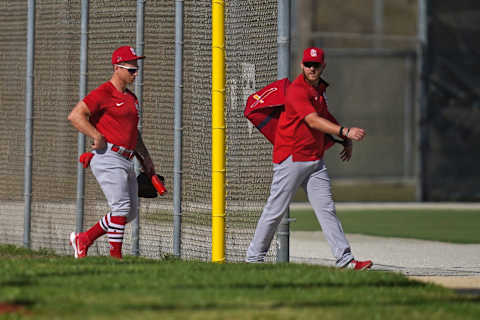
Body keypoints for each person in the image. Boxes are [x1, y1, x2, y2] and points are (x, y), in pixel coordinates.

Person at [246, 47, 373, 270]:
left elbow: (325, 117)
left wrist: (344, 140)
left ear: (323, 66)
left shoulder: (319, 91)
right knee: (275, 210)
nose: (311, 68)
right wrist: (345, 131)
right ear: (302, 66)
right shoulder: (296, 91)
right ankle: (253, 259)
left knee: (326, 210)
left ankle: (345, 259)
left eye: (315, 65)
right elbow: (313, 121)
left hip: (314, 160)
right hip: (292, 158)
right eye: (307, 64)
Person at [68, 46, 156, 259]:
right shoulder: (104, 92)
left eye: (136, 69)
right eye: (131, 69)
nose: (135, 73)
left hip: (127, 158)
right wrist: (96, 135)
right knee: (121, 207)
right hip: (108, 155)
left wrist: (145, 158)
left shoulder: (131, 98)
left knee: (129, 213)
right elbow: (76, 116)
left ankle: (85, 239)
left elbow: (133, 132)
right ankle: (116, 258)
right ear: (117, 68)